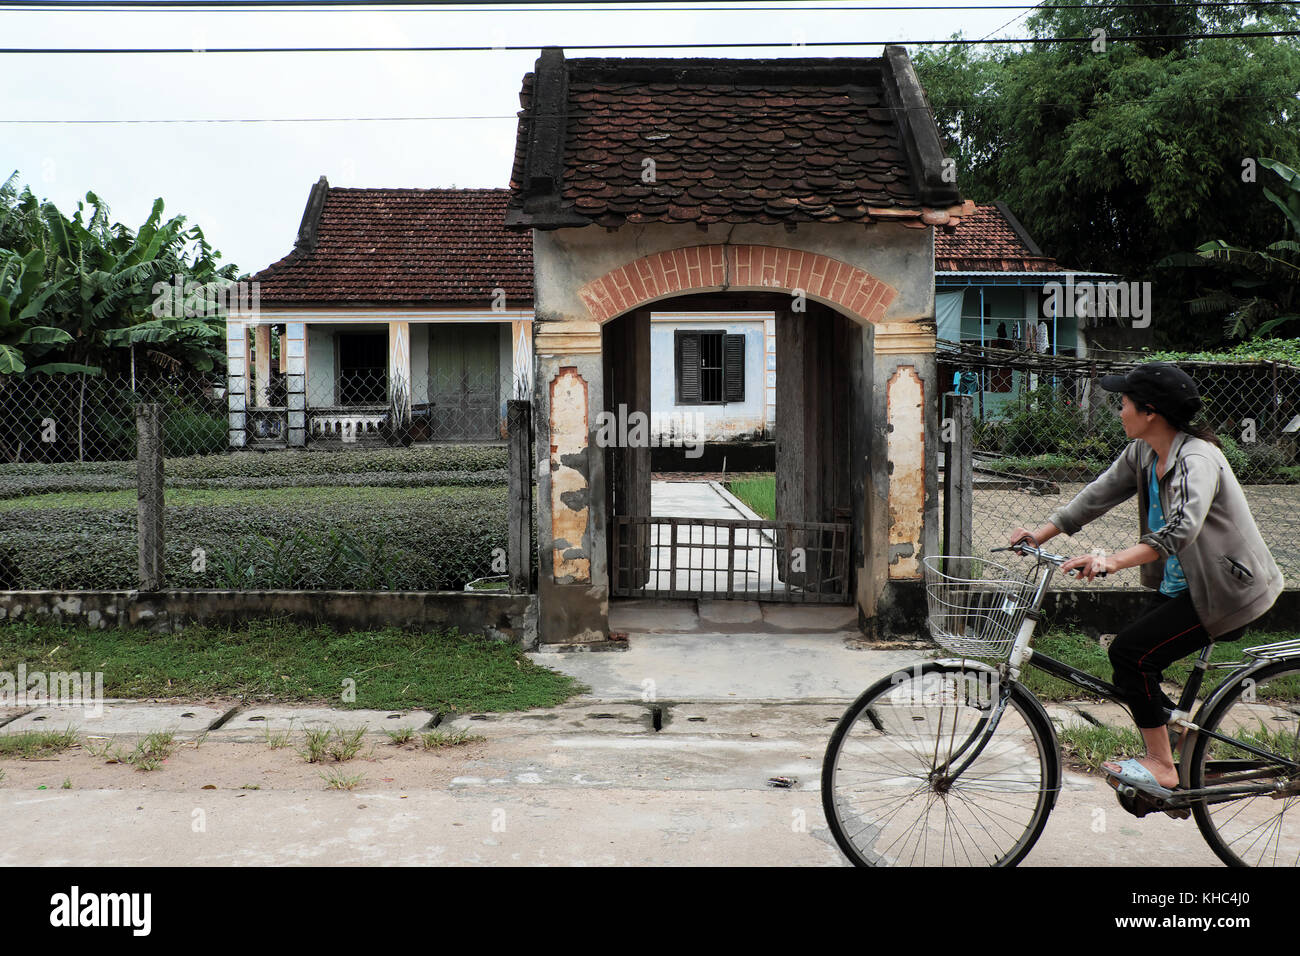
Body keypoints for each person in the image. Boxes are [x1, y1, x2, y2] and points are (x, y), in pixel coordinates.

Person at [1007, 362, 1283, 800]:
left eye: (1124, 404)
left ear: (1150, 411)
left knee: (1131, 654)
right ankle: (1180, 741)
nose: (1119, 411)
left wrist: (1111, 561)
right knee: (1131, 664)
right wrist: (1036, 535)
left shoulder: (1198, 459)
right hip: (1183, 588)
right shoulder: (1143, 452)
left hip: (1226, 593)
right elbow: (1097, 494)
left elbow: (1181, 529)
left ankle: (1163, 766)